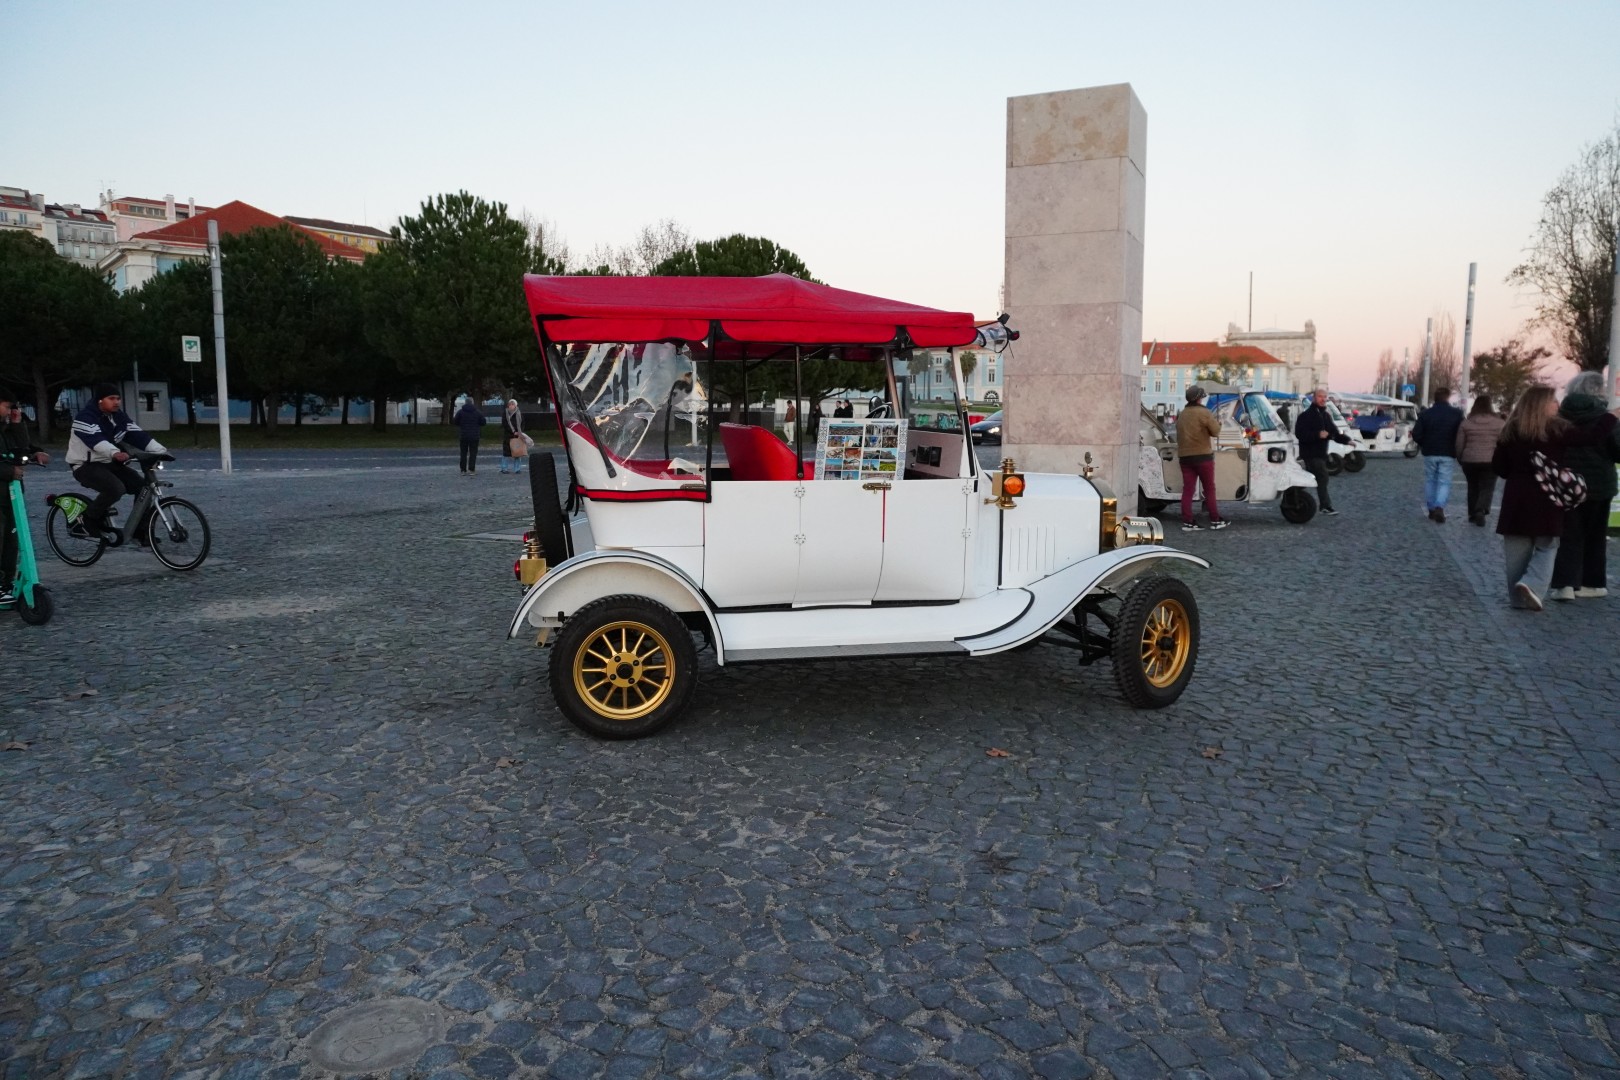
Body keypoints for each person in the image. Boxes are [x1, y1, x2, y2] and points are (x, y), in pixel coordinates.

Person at [1492, 386, 1573, 612]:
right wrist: (1610, 416)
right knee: (1548, 545)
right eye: (1553, 400)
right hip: (1546, 496)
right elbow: (1591, 438)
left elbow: (1499, 467)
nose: (1557, 405)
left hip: (1516, 497)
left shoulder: (1510, 430)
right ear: (1542, 405)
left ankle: (1518, 600)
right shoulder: (1557, 431)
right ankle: (1533, 585)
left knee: (1516, 553)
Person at [1548, 371, 1620, 601]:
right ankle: (1592, 583)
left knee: (1568, 534)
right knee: (1595, 535)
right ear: (1599, 390)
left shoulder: (1559, 416)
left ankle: (1565, 585)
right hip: (1600, 485)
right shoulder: (1606, 419)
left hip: (1566, 483)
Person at [67, 385, 166, 538]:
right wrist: (115, 453)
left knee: (144, 488)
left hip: (109, 463)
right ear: (100, 400)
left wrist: (161, 451)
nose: (116, 402)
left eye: (118, 398)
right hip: (85, 465)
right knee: (115, 488)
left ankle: (139, 531)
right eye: (111, 398)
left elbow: (138, 435)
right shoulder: (85, 417)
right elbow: (96, 441)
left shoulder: (119, 417)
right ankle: (86, 521)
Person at [1, 391, 51, 604]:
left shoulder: (6, 429)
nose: (10, 411)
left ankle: (6, 582)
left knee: (11, 539)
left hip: (10, 495)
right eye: (7, 406)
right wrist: (9, 471)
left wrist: (17, 424)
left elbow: (20, 449)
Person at [1175, 386, 1228, 531]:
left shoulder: (1182, 414)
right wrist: (1219, 423)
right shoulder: (1204, 412)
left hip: (1185, 458)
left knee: (1188, 490)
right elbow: (1215, 432)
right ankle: (1215, 520)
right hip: (1203, 457)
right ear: (1199, 399)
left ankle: (1188, 521)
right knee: (1209, 488)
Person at [1294, 388, 1352, 516]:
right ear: (1314, 398)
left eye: (1325, 397)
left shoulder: (1326, 416)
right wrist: (1317, 434)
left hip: (1321, 454)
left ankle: (1293, 495)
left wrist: (1347, 441)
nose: (1323, 399)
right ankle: (1325, 506)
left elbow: (1334, 433)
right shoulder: (1305, 416)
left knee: (1309, 478)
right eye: (1320, 396)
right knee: (1322, 476)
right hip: (1310, 454)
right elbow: (1300, 434)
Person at [1411, 388, 1465, 522]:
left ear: (1435, 398)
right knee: (1444, 481)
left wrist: (1424, 443)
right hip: (1448, 452)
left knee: (1430, 480)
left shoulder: (1425, 414)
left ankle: (1431, 509)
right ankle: (1439, 506)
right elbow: (1461, 434)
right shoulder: (1457, 414)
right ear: (1448, 397)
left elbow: (1416, 433)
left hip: (1430, 451)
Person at [1454, 393, 1506, 526]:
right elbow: (1504, 443)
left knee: (1472, 486)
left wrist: (1460, 457)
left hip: (1469, 459)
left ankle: (1472, 513)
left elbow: (1459, 443)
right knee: (1487, 487)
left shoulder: (1466, 423)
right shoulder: (1500, 423)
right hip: (1491, 460)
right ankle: (1481, 509)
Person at [453, 396, 485, 475]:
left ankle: (463, 470)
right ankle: (471, 469)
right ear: (472, 403)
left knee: (463, 453)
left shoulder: (460, 412)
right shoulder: (478, 412)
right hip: (474, 436)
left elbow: (455, 422)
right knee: (473, 453)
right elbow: (483, 422)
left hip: (463, 435)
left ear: (465, 403)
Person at [499, 399, 526, 475]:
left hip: (518, 435)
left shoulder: (519, 413)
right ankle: (504, 468)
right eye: (510, 404)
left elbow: (522, 423)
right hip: (508, 435)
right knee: (506, 453)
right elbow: (505, 424)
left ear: (516, 405)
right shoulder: (505, 413)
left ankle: (517, 469)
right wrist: (513, 431)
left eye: (513, 404)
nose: (511, 406)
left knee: (518, 452)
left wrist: (519, 432)